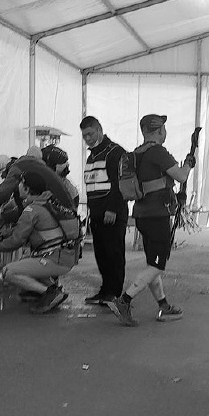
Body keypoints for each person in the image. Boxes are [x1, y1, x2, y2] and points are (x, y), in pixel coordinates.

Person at [107, 114, 195, 326]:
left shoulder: (137, 153)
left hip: (142, 215)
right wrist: (188, 165)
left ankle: (163, 305)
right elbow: (181, 176)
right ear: (159, 130)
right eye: (164, 129)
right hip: (157, 215)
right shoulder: (158, 152)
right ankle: (124, 300)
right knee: (157, 265)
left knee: (152, 263)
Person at [0, 172, 79, 315]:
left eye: (21, 183)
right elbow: (22, 229)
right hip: (65, 256)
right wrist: (3, 234)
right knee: (25, 262)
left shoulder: (32, 210)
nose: (18, 186)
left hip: (54, 259)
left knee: (7, 272)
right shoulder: (47, 202)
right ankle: (51, 289)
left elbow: (16, 241)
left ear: (27, 188)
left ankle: (50, 293)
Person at [80, 116, 128, 305]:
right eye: (84, 136)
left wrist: (112, 209)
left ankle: (114, 293)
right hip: (97, 214)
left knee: (114, 253)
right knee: (101, 254)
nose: (88, 139)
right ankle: (105, 290)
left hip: (112, 214)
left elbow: (119, 183)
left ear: (99, 130)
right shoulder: (92, 156)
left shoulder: (115, 152)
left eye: (90, 134)